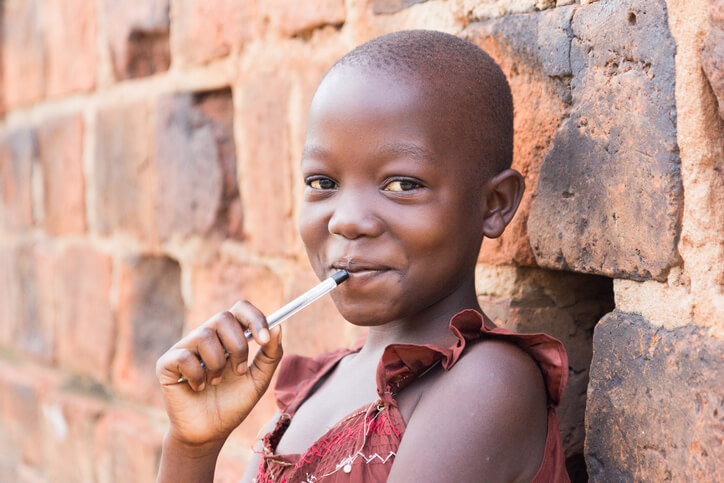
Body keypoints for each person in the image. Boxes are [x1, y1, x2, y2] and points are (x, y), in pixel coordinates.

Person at [156, 30, 570, 482]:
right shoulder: (319, 386)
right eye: (322, 183)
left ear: (494, 204)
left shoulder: (485, 385)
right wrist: (192, 449)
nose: (346, 220)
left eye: (402, 185)